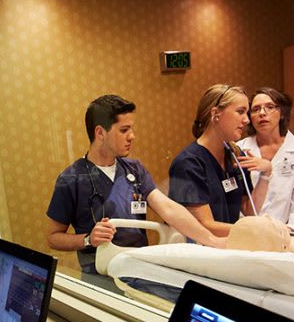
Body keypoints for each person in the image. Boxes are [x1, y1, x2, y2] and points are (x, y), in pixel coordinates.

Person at [47, 94, 223, 272]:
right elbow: (53, 237)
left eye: (131, 129)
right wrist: (87, 239)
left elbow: (168, 208)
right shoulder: (71, 179)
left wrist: (211, 240)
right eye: (124, 130)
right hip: (99, 276)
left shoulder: (134, 169)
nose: (132, 136)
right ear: (100, 133)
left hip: (138, 269)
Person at [168, 84, 268, 237]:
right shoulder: (188, 163)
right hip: (202, 252)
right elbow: (204, 226)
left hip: (229, 246)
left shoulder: (234, 154)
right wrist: (257, 231)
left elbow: (249, 210)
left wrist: (266, 174)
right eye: (240, 112)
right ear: (216, 114)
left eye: (247, 113)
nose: (247, 120)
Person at [236, 87, 294, 229]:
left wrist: (292, 237)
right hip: (246, 231)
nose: (262, 113)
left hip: (287, 234)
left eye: (270, 107)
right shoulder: (239, 150)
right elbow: (234, 200)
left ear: (281, 113)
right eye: (256, 109)